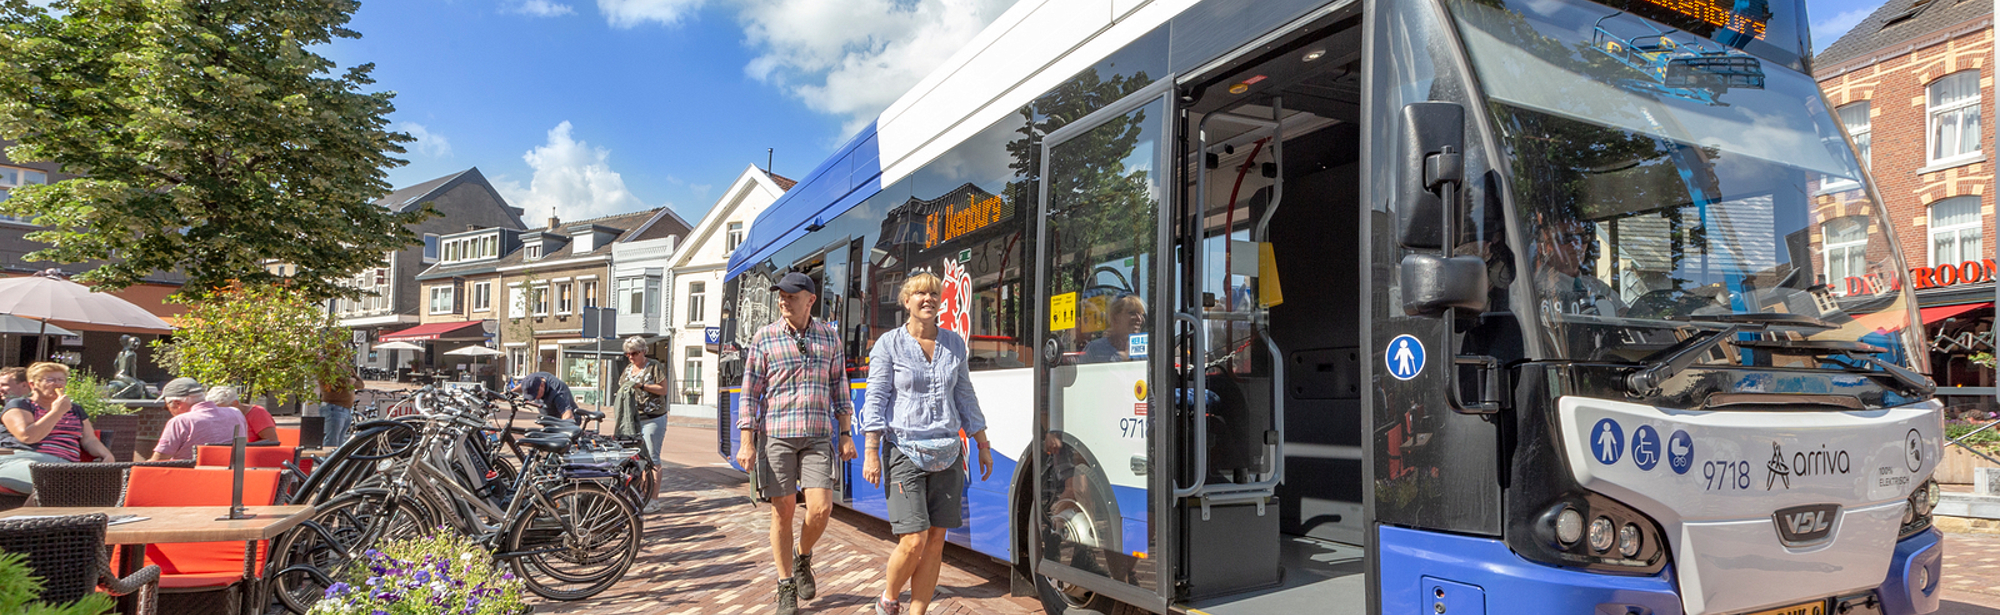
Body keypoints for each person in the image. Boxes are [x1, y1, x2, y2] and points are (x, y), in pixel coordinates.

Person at [860, 273, 992, 615]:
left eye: (933, 293)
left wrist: (982, 442)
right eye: (919, 293)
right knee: (914, 539)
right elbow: (875, 399)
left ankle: (917, 611)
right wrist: (871, 452)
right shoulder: (888, 344)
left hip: (948, 453)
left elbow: (965, 395)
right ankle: (889, 598)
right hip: (904, 449)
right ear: (907, 301)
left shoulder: (954, 344)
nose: (927, 298)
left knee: (936, 541)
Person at [735, 271, 856, 615]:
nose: (783, 300)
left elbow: (840, 387)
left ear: (810, 300)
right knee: (783, 511)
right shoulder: (765, 337)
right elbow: (749, 393)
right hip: (777, 435)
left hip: (818, 434)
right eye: (781, 295)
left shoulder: (828, 338)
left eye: (791, 295)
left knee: (821, 508)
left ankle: (803, 556)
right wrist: (747, 440)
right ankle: (785, 583)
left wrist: (845, 432)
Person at [0, 363, 114, 497]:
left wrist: (107, 455)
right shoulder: (20, 405)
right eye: (50, 380)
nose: (57, 384)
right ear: (33, 385)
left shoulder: (75, 409)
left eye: (61, 379)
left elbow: (89, 439)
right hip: (20, 459)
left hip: (64, 466)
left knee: (68, 484)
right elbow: (27, 436)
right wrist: (57, 412)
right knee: (56, 484)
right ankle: (25, 517)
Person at [612, 336, 673, 513]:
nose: (631, 356)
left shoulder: (654, 366)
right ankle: (642, 496)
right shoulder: (629, 369)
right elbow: (622, 386)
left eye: (634, 353)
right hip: (634, 419)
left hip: (653, 417)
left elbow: (663, 389)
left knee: (652, 458)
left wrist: (641, 385)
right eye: (628, 354)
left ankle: (653, 499)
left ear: (643, 351)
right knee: (637, 459)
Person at [150, 377, 246, 461]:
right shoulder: (235, 413)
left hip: (190, 477)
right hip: (232, 476)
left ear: (177, 403)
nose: (169, 411)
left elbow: (159, 461)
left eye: (166, 407)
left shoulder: (181, 422)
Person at [1083, 293, 1148, 363]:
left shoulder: (1140, 350)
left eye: (1141, 314)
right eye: (1132, 313)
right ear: (1115, 318)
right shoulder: (1095, 350)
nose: (1139, 319)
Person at [205, 385, 279, 444]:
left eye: (221, 409)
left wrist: (242, 448)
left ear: (235, 403)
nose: (218, 413)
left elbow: (272, 440)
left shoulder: (258, 413)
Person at [511, 371, 578, 420]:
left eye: (535, 394)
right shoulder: (534, 378)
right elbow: (524, 385)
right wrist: (510, 393)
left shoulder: (558, 391)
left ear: (542, 385)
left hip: (565, 420)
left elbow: (567, 414)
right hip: (549, 418)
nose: (535, 398)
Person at [319, 369, 358, 448]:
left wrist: (351, 379)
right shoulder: (327, 365)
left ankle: (338, 460)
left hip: (346, 408)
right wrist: (348, 381)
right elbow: (335, 382)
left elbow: (360, 384)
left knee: (341, 442)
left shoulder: (345, 366)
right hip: (334, 407)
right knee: (332, 441)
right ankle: (329, 460)